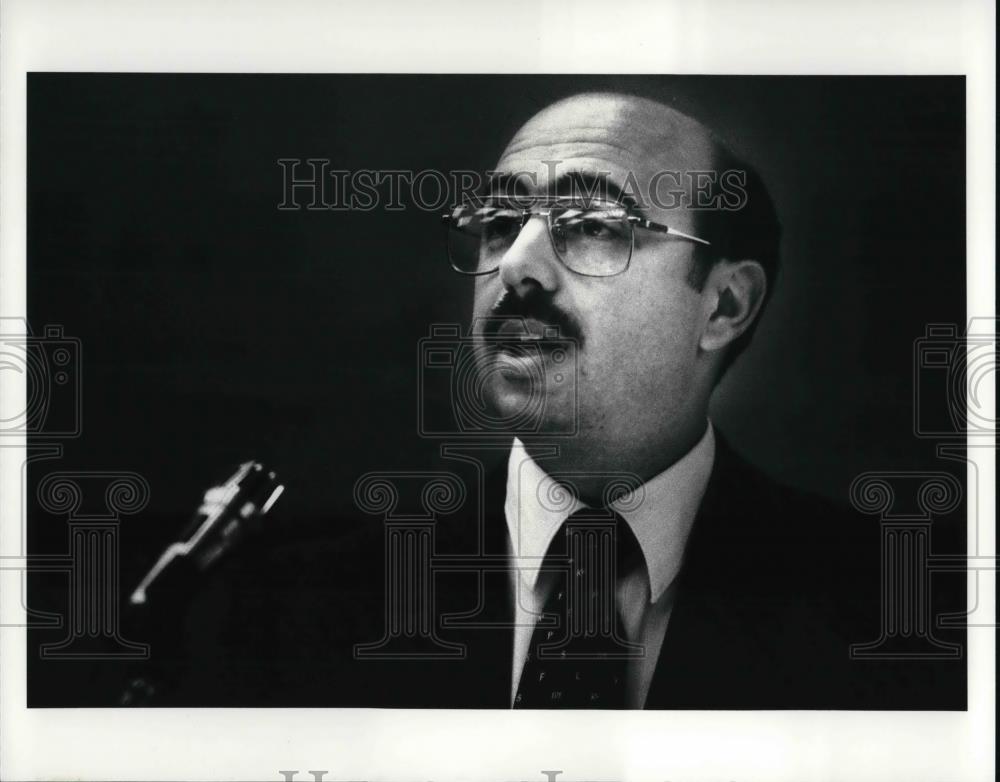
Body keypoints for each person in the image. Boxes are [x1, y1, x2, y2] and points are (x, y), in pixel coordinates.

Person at [161, 92, 961, 710]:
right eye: (499, 221)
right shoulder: (284, 603)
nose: (518, 266)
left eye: (591, 225)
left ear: (723, 307)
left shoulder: (907, 616)